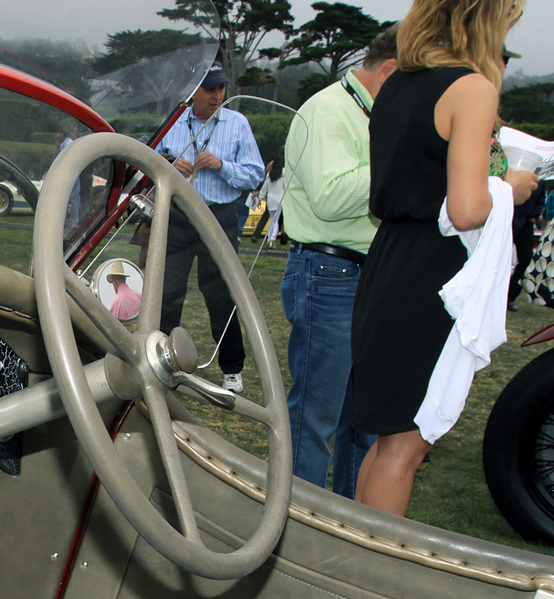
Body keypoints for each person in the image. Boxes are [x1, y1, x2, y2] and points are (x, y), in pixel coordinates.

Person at [349, 0, 536, 516]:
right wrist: (512, 188)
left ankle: (354, 558)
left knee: (390, 439)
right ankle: (372, 574)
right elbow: (468, 207)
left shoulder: (396, 83)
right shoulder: (472, 89)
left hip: (388, 261)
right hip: (433, 271)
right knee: (407, 446)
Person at [278, 26, 398, 499]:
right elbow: (329, 198)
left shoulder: (370, 113)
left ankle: (349, 521)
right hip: (331, 274)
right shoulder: (328, 112)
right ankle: (300, 521)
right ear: (389, 70)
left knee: (363, 421)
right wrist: (400, 164)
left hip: (364, 273)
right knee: (315, 414)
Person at [156, 66, 265, 394]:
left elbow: (254, 174)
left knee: (220, 295)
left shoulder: (237, 124)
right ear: (193, 91)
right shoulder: (174, 120)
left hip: (219, 216)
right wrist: (169, 164)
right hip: (177, 215)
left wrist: (222, 166)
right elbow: (150, 159)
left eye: (221, 89)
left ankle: (232, 369)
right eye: (210, 89)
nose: (217, 96)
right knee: (167, 293)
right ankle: (161, 361)